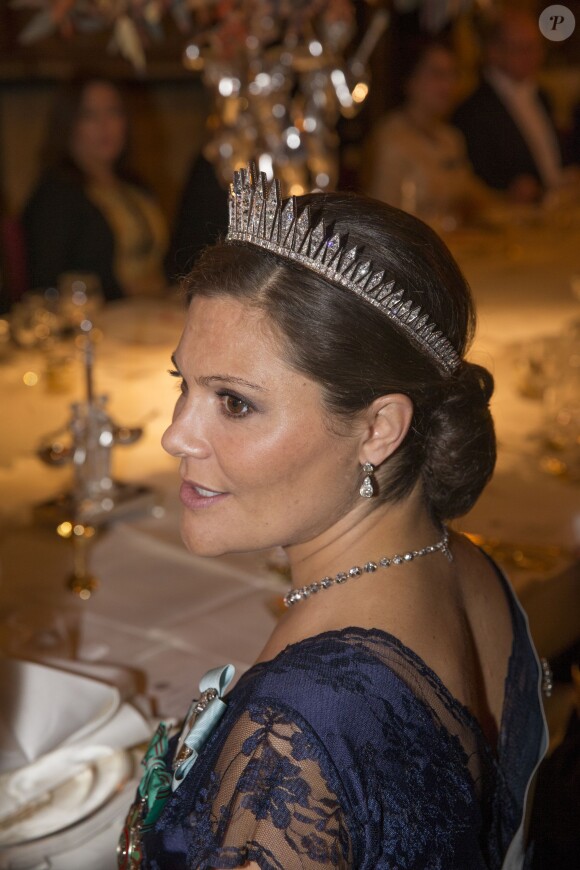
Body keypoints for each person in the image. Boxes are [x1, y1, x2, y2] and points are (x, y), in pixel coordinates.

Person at [118, 166, 547, 869]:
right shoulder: (460, 562)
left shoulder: (292, 739)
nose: (175, 436)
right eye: (184, 386)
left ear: (378, 428)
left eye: (233, 402)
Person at [23, 74, 168, 301]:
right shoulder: (55, 196)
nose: (105, 126)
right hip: (98, 326)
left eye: (114, 112)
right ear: (68, 124)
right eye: (89, 115)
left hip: (157, 316)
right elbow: (46, 286)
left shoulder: (135, 186)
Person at [363, 41, 491, 228]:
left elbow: (472, 194)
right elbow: (384, 223)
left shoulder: (450, 138)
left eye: (453, 74)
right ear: (410, 79)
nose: (449, 85)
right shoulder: (391, 140)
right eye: (437, 75)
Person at [452, 10, 564, 203]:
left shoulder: (542, 95)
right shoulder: (473, 109)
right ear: (494, 51)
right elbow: (473, 177)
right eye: (522, 48)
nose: (534, 56)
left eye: (537, 47)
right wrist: (509, 189)